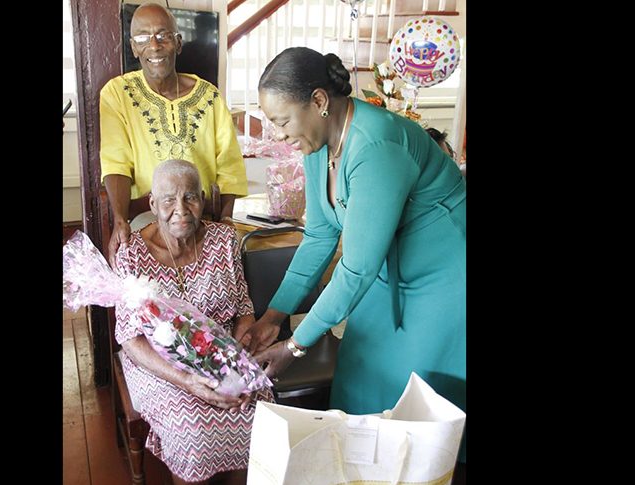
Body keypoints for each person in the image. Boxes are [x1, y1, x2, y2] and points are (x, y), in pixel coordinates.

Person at [245, 47, 466, 465]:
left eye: (282, 121)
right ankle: (364, 467)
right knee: (361, 371)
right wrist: (274, 316)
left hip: (444, 276)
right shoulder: (317, 145)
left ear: (319, 101)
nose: (278, 135)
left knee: (420, 398)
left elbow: (356, 269)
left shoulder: (376, 145)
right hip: (383, 272)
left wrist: (295, 347)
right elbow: (319, 236)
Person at [113, 159, 273, 485]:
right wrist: (187, 381)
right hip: (160, 366)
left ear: (202, 199)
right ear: (153, 204)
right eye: (168, 200)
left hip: (221, 353)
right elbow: (131, 339)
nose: (181, 210)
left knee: (255, 412)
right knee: (193, 432)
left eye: (190, 197)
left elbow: (243, 309)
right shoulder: (131, 254)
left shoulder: (224, 240)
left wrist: (234, 363)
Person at [100, 2, 247, 270]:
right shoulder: (117, 94)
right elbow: (115, 162)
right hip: (148, 217)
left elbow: (229, 164)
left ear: (178, 43)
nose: (154, 46)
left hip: (203, 217)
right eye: (143, 38)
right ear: (133, 47)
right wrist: (120, 219)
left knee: (226, 267)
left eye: (163, 35)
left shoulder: (209, 96)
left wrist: (226, 220)